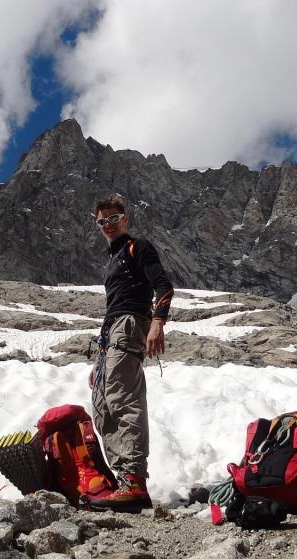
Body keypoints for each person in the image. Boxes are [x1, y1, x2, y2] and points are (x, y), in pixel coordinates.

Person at [87, 195, 174, 512]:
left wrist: (157, 322)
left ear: (125, 219)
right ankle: (124, 481)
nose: (108, 225)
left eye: (113, 218)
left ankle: (134, 480)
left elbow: (163, 286)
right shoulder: (113, 257)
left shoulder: (138, 247)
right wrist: (100, 357)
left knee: (123, 399)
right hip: (111, 332)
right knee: (103, 404)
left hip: (129, 323)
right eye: (102, 221)